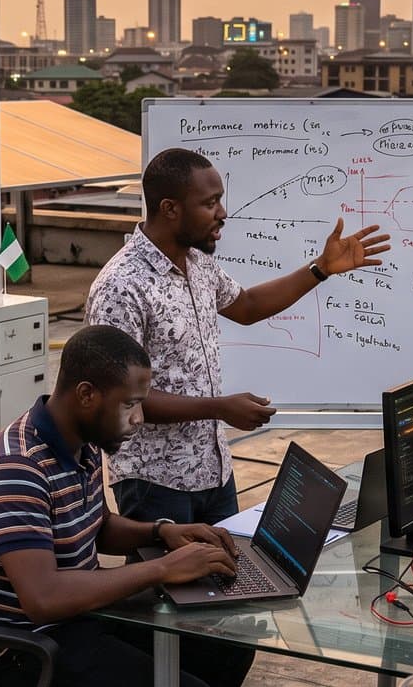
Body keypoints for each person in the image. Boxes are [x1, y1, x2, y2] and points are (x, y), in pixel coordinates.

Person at [0, 324, 251, 687]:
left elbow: (99, 526)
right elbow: (43, 599)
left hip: (77, 620)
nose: (139, 419)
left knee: (229, 643)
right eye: (130, 404)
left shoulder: (82, 442)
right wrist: (162, 569)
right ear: (87, 394)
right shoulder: (18, 468)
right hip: (21, 650)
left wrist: (164, 531)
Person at [88, 147, 390, 527]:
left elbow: (246, 306)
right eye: (210, 203)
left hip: (214, 471)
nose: (223, 213)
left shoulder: (197, 262)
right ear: (170, 209)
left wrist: (321, 268)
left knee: (229, 565)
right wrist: (219, 407)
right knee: (172, 568)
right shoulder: (121, 286)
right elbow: (120, 399)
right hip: (155, 482)